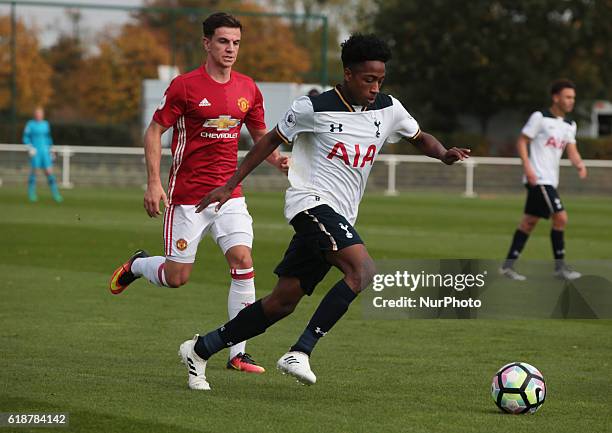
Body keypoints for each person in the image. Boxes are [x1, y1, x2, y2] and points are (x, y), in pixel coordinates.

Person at [177, 33, 470, 390]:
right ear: (348, 74)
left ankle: (200, 350)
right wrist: (230, 183)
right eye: (368, 80)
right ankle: (301, 350)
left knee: (282, 302)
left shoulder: (389, 108)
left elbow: (419, 136)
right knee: (362, 270)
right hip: (310, 205)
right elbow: (269, 140)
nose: (375, 87)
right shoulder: (312, 108)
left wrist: (443, 153)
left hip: (339, 218)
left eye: (380, 80)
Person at [108, 12, 289, 375]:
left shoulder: (248, 88)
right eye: (223, 41)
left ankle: (238, 352)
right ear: (206, 43)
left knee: (242, 261)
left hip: (229, 194)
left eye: (236, 43)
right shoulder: (184, 87)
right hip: (188, 196)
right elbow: (153, 131)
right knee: (178, 278)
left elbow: (261, 137)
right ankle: (140, 264)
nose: (230, 49)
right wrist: (154, 182)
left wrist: (277, 160)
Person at [500, 79, 587, 281]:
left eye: (573, 97)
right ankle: (560, 267)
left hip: (550, 180)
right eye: (567, 97)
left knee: (528, 222)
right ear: (556, 97)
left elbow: (572, 151)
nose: (571, 101)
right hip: (538, 179)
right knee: (561, 217)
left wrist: (580, 165)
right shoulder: (540, 117)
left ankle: (507, 267)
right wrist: (528, 168)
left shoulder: (569, 125)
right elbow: (522, 141)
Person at [22, 107, 62, 202]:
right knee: (34, 171)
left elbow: (48, 138)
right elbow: (25, 138)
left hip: (45, 151)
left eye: (40, 113)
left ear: (43, 115)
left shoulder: (45, 124)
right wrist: (30, 147)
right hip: (36, 151)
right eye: (37, 113)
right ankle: (31, 194)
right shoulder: (30, 124)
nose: (39, 115)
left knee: (49, 172)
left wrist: (51, 150)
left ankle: (56, 194)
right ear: (34, 114)